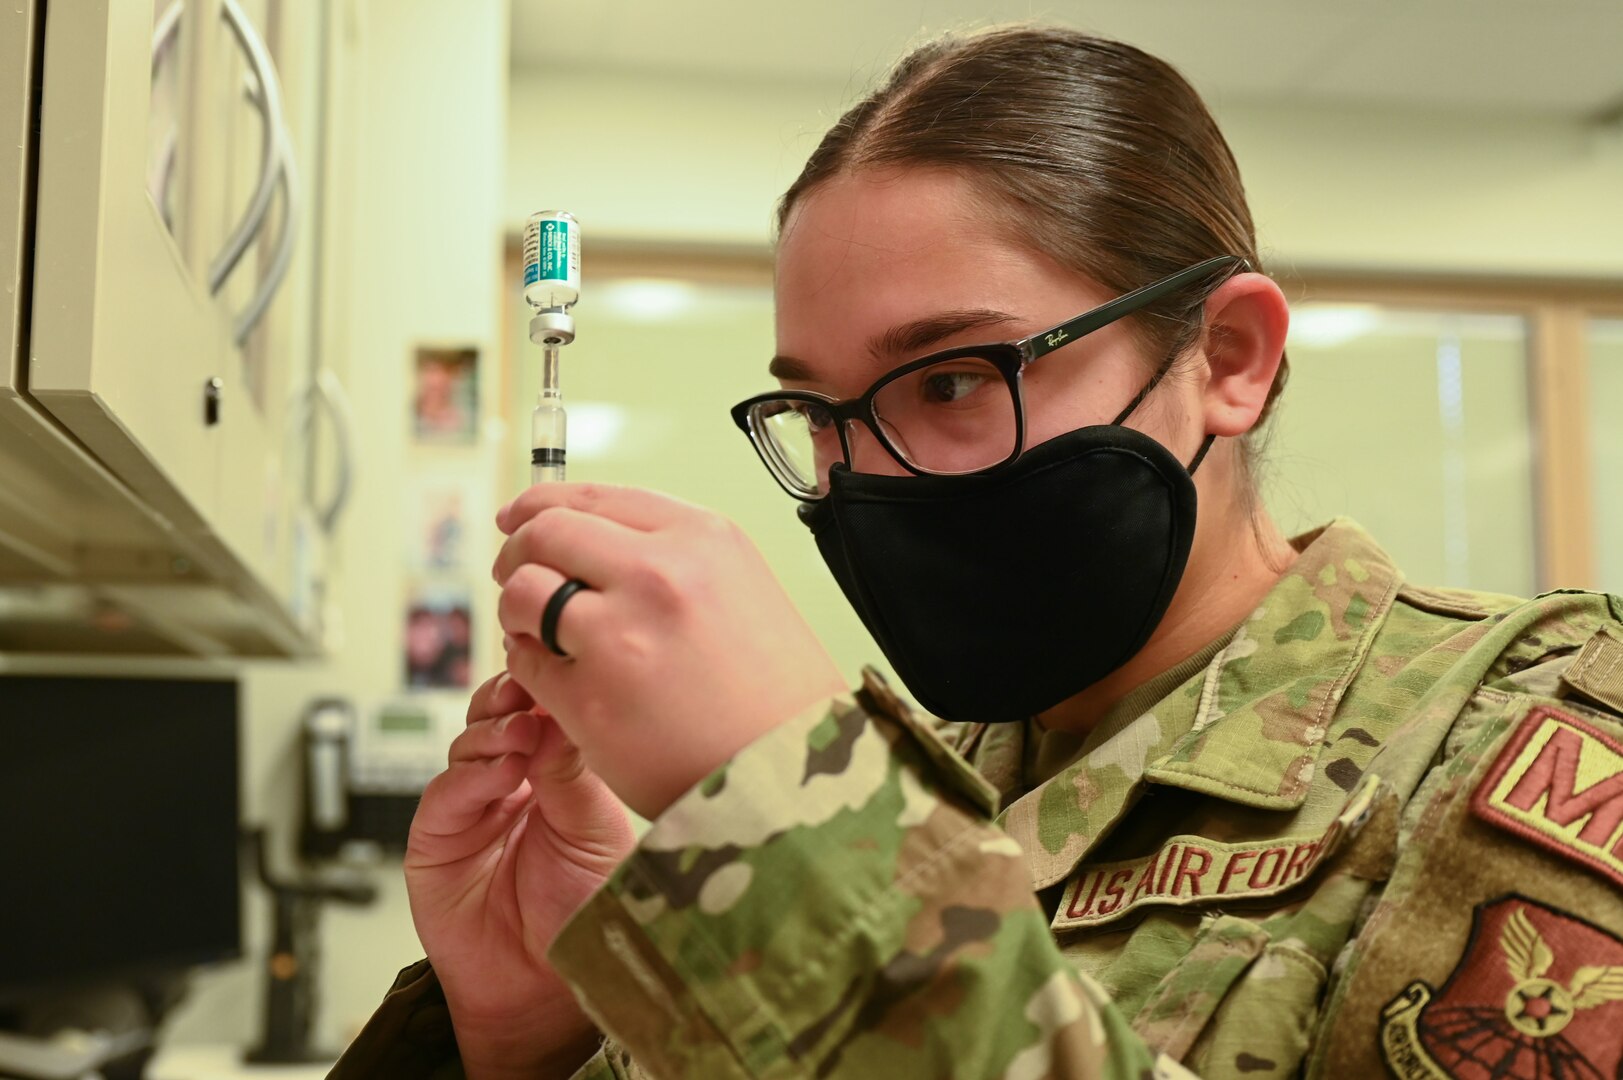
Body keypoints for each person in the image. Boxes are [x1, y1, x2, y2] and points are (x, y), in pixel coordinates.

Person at [330, 26, 1623, 1080]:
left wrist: (796, 826)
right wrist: (525, 1038)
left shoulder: (1513, 759)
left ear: (1228, 360)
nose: (871, 477)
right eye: (823, 417)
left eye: (949, 383)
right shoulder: (925, 787)